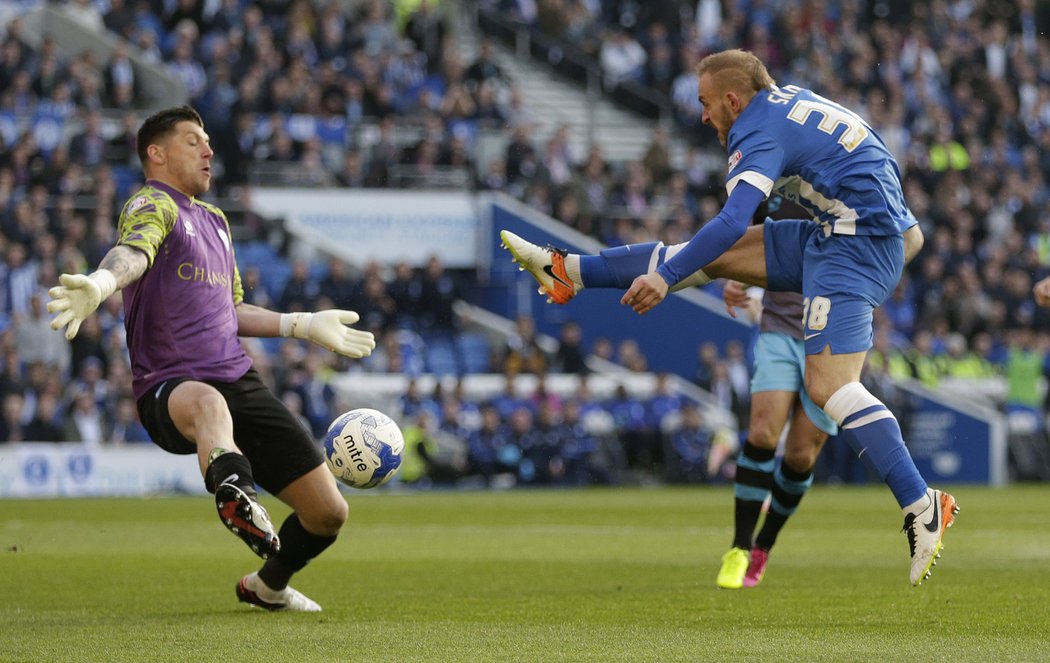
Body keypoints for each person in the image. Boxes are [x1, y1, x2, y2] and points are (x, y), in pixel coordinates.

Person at [500, 50, 958, 586]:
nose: (703, 115)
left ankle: (920, 502)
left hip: (857, 243)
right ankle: (566, 270)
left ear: (733, 100)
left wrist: (666, 279)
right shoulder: (789, 100)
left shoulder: (754, 129)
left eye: (706, 103)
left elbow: (730, 219)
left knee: (830, 384)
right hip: (861, 231)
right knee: (713, 256)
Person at [47, 106, 376, 611]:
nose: (209, 150)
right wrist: (100, 282)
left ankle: (267, 587)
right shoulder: (152, 204)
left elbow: (233, 307)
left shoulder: (217, 221)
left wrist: (303, 324)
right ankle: (237, 496)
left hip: (238, 379)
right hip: (171, 385)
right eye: (193, 141)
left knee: (329, 512)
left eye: (207, 141)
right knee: (208, 406)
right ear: (155, 154)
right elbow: (132, 253)